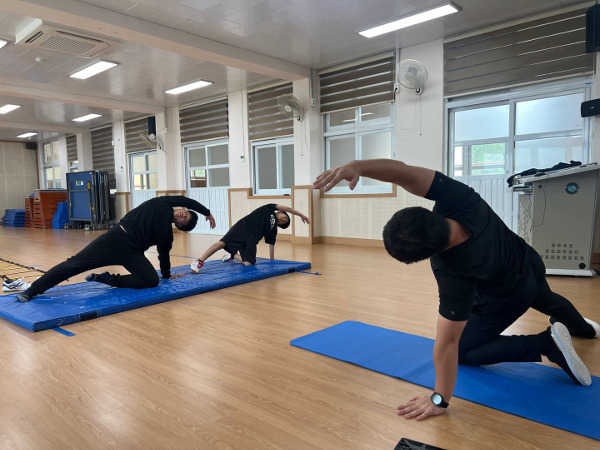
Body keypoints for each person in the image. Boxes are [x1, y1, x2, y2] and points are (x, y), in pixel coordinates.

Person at [314, 159, 598, 421]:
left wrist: (439, 400)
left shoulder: (453, 273)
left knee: (466, 351)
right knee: (544, 297)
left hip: (509, 294)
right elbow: (403, 172)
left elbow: (448, 343)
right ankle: (585, 330)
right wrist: (358, 166)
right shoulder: (459, 199)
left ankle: (546, 343)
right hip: (528, 261)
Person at [16, 196, 215, 302]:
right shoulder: (163, 203)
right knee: (74, 264)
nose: (183, 215)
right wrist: (206, 212)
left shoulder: (167, 236)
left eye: (186, 220)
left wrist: (167, 275)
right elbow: (188, 200)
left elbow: (164, 256)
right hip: (116, 237)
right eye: (186, 213)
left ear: (181, 227)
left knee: (151, 280)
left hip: (133, 252)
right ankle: (33, 290)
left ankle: (109, 279)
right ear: (182, 208)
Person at [192, 203, 309, 271]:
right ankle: (199, 261)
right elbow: (289, 208)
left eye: (285, 222)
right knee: (222, 243)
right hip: (244, 226)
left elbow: (271, 244)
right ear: (281, 212)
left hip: (252, 240)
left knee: (249, 263)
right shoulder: (270, 208)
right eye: (285, 217)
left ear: (280, 225)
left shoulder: (273, 229)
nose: (284, 219)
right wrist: (301, 215)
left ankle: (232, 255)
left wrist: (272, 261)